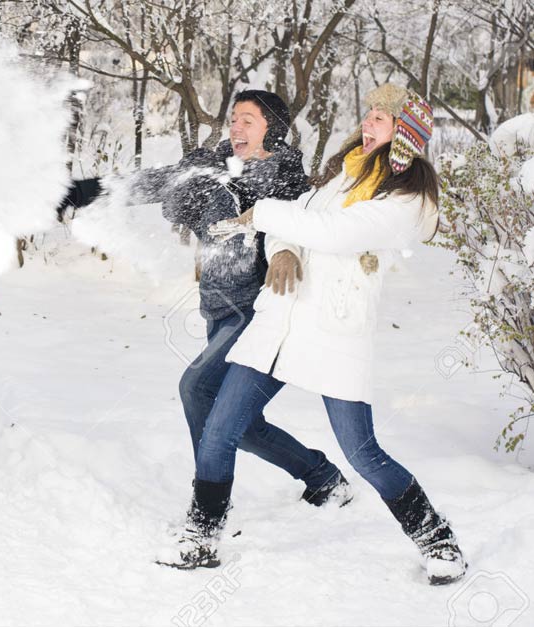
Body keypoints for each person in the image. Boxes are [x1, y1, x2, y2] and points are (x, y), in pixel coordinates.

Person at [171, 84, 467, 585]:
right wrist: (283, 248)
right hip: (280, 321)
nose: (367, 123)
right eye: (369, 114)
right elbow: (304, 218)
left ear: (405, 135)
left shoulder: (406, 200)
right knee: (222, 428)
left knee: (363, 453)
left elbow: (336, 234)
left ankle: (437, 539)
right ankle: (202, 537)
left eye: (380, 118)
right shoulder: (343, 174)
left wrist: (262, 215)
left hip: (334, 333)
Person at [62, 91, 352, 508]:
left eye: (248, 121)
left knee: (197, 389)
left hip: (261, 313)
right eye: (233, 118)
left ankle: (211, 501)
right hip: (219, 309)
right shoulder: (213, 163)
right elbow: (158, 182)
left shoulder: (287, 185)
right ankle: (322, 477)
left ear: (272, 129)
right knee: (245, 426)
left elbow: (297, 236)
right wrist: (87, 190)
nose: (235, 127)